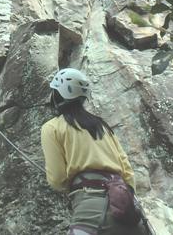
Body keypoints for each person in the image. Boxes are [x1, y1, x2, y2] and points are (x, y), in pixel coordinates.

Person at [41, 68, 150, 235]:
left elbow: (57, 178)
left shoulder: (52, 128)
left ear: (57, 95)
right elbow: (127, 171)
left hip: (90, 208)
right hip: (126, 208)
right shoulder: (101, 125)